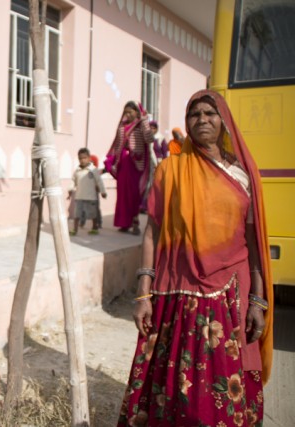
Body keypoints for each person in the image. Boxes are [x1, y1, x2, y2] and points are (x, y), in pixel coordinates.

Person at [118, 89, 273, 426]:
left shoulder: (242, 175)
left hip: (229, 297)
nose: (202, 120)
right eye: (194, 115)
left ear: (224, 121)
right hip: (176, 298)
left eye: (209, 113)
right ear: (187, 123)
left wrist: (258, 301)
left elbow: (254, 242)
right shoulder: (171, 171)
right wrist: (143, 293)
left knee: (223, 390)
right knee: (173, 391)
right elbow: (152, 232)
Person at [105, 101, 155, 235]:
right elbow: (116, 145)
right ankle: (124, 224)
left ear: (137, 112)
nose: (127, 114)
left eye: (130, 112)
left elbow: (150, 139)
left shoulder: (140, 126)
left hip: (135, 165)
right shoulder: (121, 127)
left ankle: (135, 221)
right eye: (126, 112)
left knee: (134, 194)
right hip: (123, 164)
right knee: (122, 195)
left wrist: (145, 121)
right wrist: (112, 161)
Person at [69, 148, 107, 235]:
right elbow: (73, 181)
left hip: (91, 197)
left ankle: (94, 227)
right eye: (80, 158)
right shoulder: (77, 171)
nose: (82, 160)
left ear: (89, 158)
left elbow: (99, 181)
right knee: (76, 214)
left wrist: (103, 191)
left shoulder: (93, 170)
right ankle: (74, 230)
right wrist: (70, 189)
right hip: (79, 197)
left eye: (84, 158)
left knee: (93, 214)